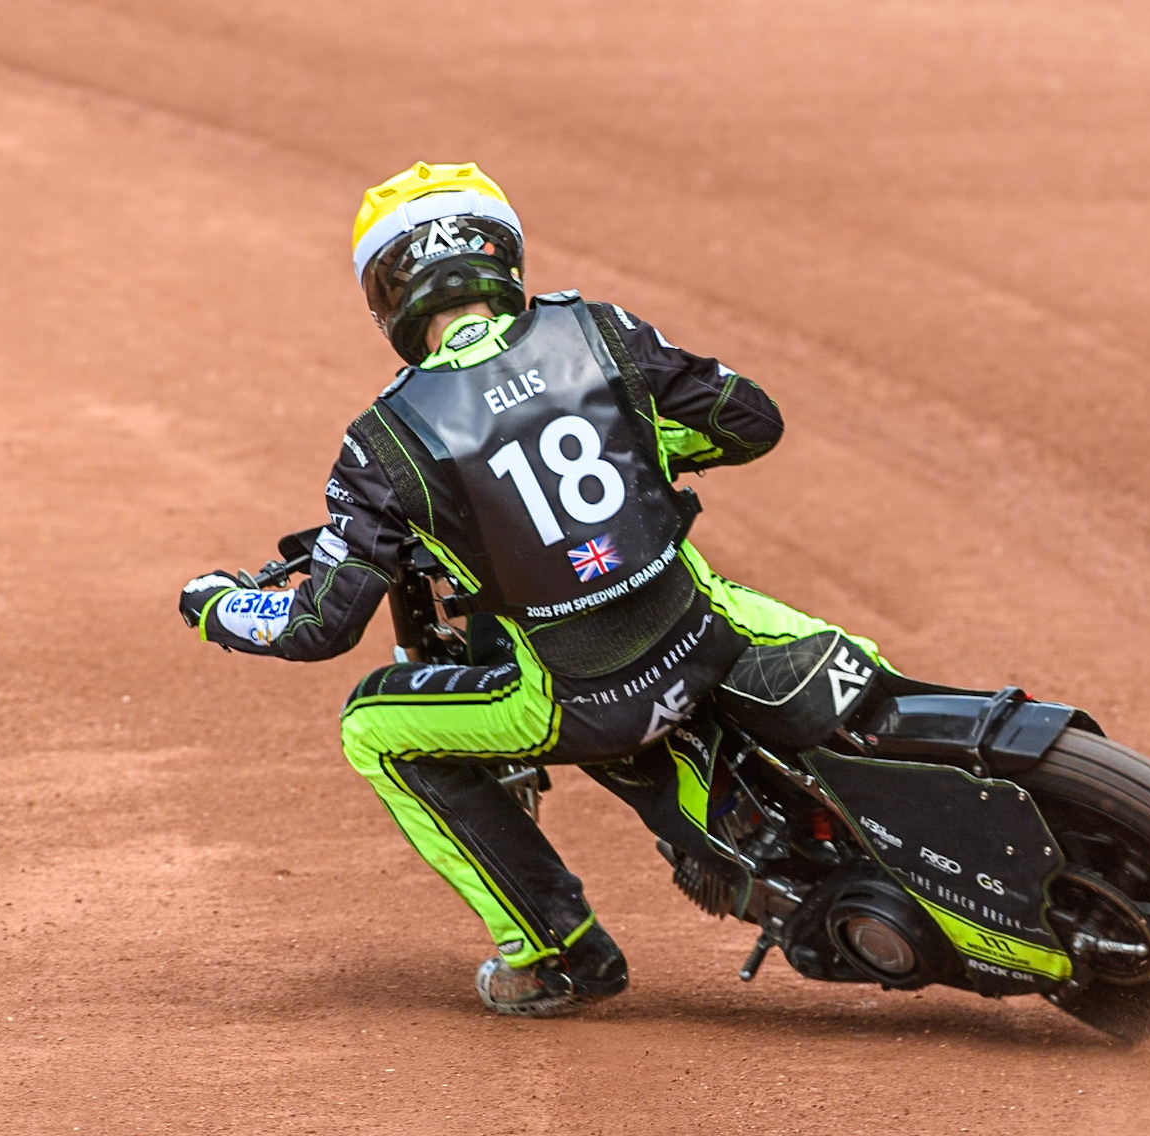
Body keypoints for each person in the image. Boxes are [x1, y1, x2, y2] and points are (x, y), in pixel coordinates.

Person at [179, 162, 882, 1017]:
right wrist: (639, 454)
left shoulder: (384, 438)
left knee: (372, 726)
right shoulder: (597, 329)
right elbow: (749, 421)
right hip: (705, 634)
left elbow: (321, 624)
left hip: (581, 702)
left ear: (387, 294)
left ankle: (556, 953)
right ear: (501, 256)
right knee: (856, 672)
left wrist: (217, 604)